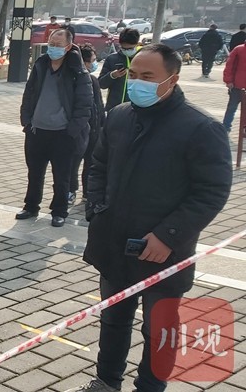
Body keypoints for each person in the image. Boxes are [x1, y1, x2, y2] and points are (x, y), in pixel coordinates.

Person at [68, 44, 232, 392]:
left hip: (164, 253)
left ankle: (150, 386)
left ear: (172, 80)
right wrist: (96, 208)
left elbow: (212, 191)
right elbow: (97, 166)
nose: (138, 82)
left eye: (148, 76)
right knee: (113, 319)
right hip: (115, 244)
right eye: (134, 75)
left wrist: (168, 235)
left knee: (160, 330)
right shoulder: (119, 116)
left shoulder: (201, 127)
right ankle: (106, 382)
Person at [17, 29, 93, 227]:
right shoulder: (41, 64)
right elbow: (29, 92)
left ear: (68, 47)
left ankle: (59, 211)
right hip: (36, 131)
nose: (53, 48)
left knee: (62, 177)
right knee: (34, 173)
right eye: (51, 44)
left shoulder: (77, 71)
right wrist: (27, 121)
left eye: (58, 45)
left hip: (63, 134)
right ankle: (31, 206)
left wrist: (72, 131)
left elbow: (84, 105)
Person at [71, 44, 106, 201]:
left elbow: (99, 106)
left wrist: (101, 126)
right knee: (73, 163)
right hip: (79, 130)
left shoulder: (93, 80)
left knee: (91, 163)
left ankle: (87, 192)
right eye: (92, 60)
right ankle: (71, 190)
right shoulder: (72, 79)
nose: (94, 64)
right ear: (84, 62)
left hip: (94, 129)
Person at [99, 28, 140, 111]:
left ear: (137, 44)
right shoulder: (112, 59)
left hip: (136, 108)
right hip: (115, 107)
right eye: (124, 49)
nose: (127, 51)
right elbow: (101, 84)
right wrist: (112, 75)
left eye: (130, 49)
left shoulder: (143, 59)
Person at [223, 41, 246, 132]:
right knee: (232, 108)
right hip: (237, 85)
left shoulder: (238, 49)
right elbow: (229, 65)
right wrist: (228, 80)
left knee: (232, 108)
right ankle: (226, 127)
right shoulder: (239, 49)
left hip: (237, 84)